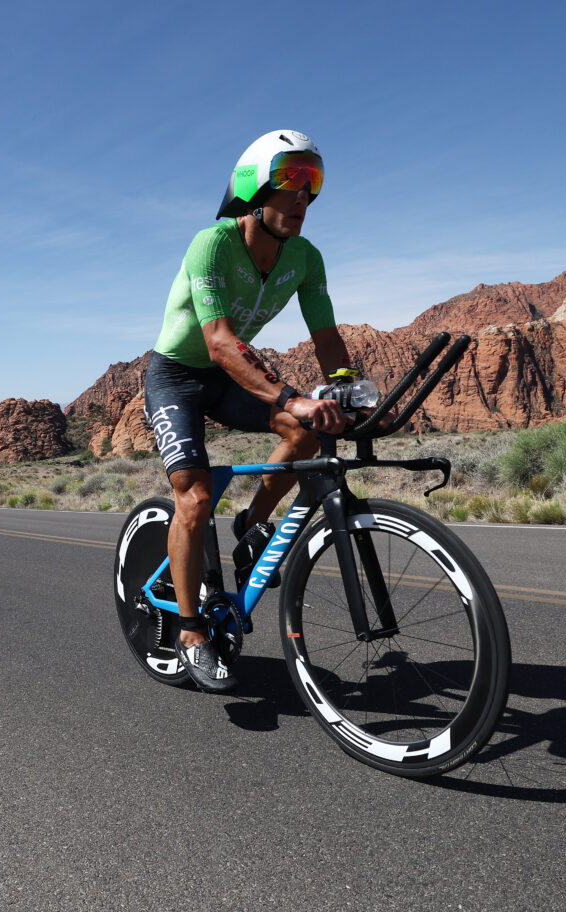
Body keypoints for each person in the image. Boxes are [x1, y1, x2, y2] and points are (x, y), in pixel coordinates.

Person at [144, 129, 354, 693]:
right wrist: (291, 395)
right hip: (178, 375)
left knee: (304, 430)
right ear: (253, 186)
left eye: (313, 182)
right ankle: (190, 633)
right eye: (289, 178)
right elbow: (218, 341)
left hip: (228, 375)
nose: (302, 196)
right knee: (194, 494)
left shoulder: (305, 259)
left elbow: (328, 338)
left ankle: (252, 523)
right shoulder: (211, 244)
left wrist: (341, 388)